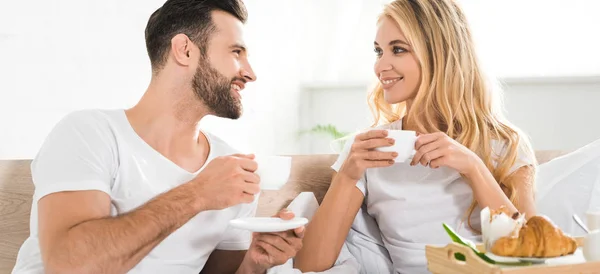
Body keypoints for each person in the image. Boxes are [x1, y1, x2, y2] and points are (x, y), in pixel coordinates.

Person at [12, 0, 303, 273]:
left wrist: (253, 264)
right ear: (185, 50)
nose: (250, 73)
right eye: (236, 52)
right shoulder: (89, 134)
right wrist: (197, 194)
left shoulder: (228, 170)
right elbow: (68, 265)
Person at [295, 0, 536, 273]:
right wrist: (347, 175)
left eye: (397, 50)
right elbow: (308, 266)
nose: (380, 67)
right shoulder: (370, 149)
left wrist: (473, 167)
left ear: (439, 55)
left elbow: (531, 254)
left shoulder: (504, 144)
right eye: (378, 52)